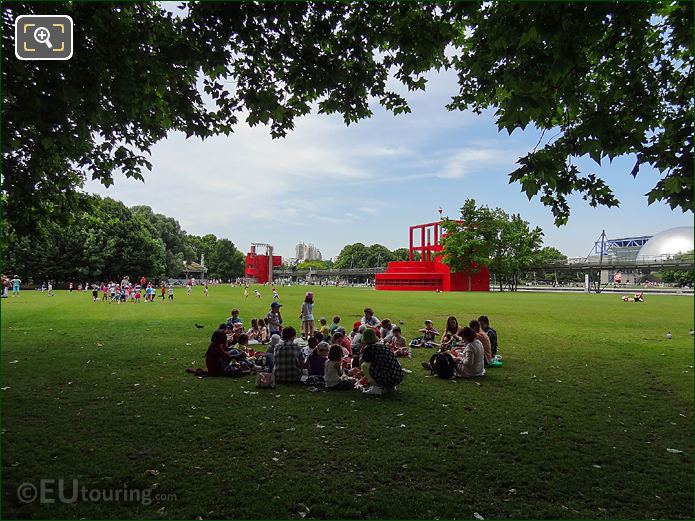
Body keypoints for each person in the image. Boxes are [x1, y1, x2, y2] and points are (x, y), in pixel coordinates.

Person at [359, 328, 403, 395]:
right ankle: (390, 387)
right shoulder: (381, 346)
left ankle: (375, 387)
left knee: (364, 365)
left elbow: (362, 361)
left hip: (387, 377)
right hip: (397, 375)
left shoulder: (369, 349)